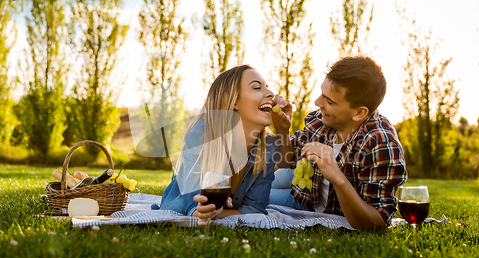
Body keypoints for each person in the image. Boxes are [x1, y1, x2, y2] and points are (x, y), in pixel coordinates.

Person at [270, 56, 407, 230]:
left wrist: (337, 177)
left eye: (329, 101)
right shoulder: (321, 120)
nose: (317, 102)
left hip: (307, 206)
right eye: (322, 93)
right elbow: (285, 163)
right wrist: (282, 130)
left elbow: (378, 222)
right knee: (254, 185)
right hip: (303, 193)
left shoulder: (380, 144)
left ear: (358, 112)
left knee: (251, 198)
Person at [153, 65, 279, 226]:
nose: (270, 93)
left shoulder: (269, 145)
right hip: (180, 205)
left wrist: (216, 214)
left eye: (267, 87)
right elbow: (193, 206)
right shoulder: (201, 136)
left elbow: (256, 208)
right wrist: (203, 211)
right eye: (257, 87)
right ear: (234, 102)